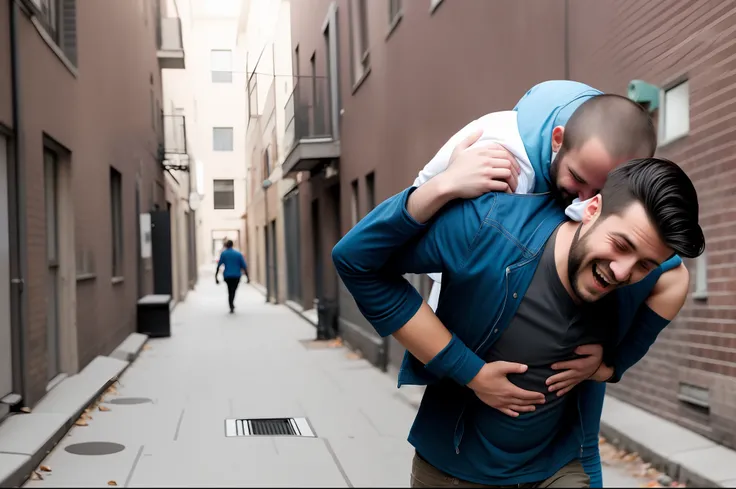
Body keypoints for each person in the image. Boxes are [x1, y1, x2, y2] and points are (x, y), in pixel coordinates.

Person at [332, 138, 705, 487]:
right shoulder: (489, 228)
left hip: (557, 468)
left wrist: (610, 366)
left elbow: (674, 280)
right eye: (620, 245)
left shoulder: (637, 267)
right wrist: (471, 372)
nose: (623, 272)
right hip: (454, 469)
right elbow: (358, 262)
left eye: (644, 264)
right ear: (592, 210)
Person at [413, 80, 690, 404]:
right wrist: (446, 184)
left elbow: (673, 275)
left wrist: (609, 366)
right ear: (559, 140)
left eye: (599, 194)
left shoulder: (593, 158)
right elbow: (392, 236)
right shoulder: (501, 158)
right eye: (579, 179)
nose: (584, 200)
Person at [215, 240, 249, 313]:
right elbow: (244, 266)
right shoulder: (238, 254)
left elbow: (219, 265)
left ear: (226, 245)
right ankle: (231, 303)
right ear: (232, 245)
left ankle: (231, 304)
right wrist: (248, 277)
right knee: (233, 290)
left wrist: (216, 277)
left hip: (227, 275)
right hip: (236, 275)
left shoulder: (224, 254)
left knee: (230, 290)